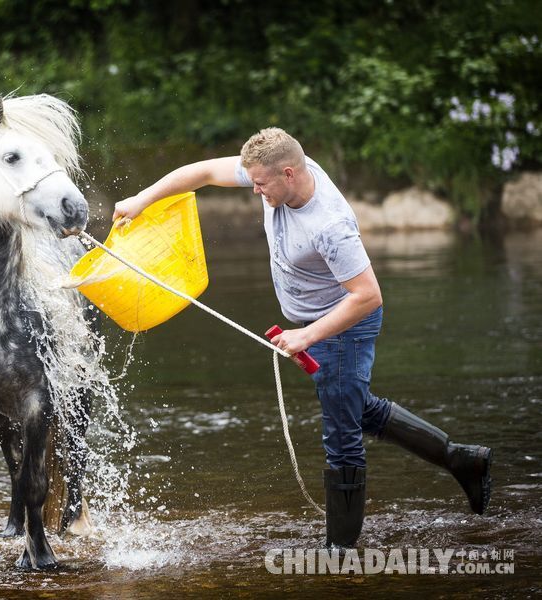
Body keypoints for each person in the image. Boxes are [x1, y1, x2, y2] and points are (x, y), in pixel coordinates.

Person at [113, 127, 492, 547]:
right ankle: (463, 460)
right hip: (315, 328)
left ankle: (338, 556)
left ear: (289, 173)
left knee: (342, 440)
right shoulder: (273, 171)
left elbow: (367, 297)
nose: (254, 191)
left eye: (260, 184)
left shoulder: (329, 225)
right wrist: (140, 199)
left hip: (342, 330)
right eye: (251, 181)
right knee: (357, 409)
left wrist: (307, 335)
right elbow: (201, 172)